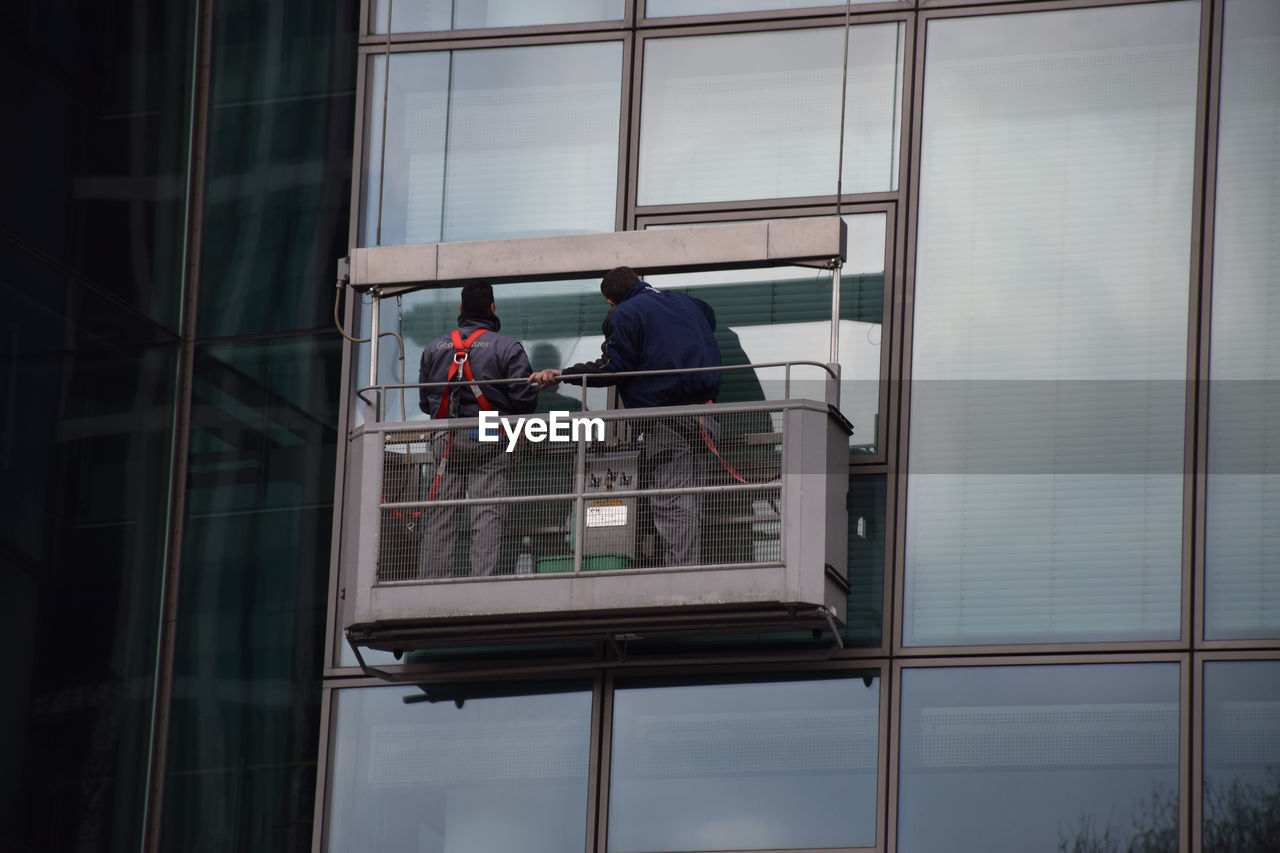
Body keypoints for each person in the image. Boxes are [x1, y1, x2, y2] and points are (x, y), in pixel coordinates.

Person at [531, 266, 721, 566]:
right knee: (689, 499)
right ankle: (687, 570)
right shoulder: (685, 303)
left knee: (672, 503)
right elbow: (709, 317)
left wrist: (565, 374)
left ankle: (682, 578)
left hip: (670, 422)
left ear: (611, 302)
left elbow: (613, 368)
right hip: (705, 416)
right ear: (640, 283)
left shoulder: (626, 313)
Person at [419, 280, 537, 578]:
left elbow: (425, 404)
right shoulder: (507, 347)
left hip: (446, 437)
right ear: (492, 308)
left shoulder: (434, 348)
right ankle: (482, 582)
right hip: (489, 434)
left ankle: (432, 584)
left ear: (461, 309)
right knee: (487, 515)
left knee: (441, 516)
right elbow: (524, 402)